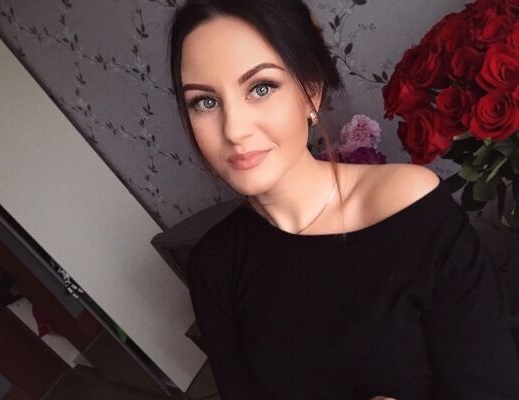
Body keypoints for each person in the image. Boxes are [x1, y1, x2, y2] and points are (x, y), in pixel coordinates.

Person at [167, 1, 519, 399]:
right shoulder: (215, 264)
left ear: (311, 92)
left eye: (261, 88)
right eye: (205, 102)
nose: (234, 130)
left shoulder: (412, 212)